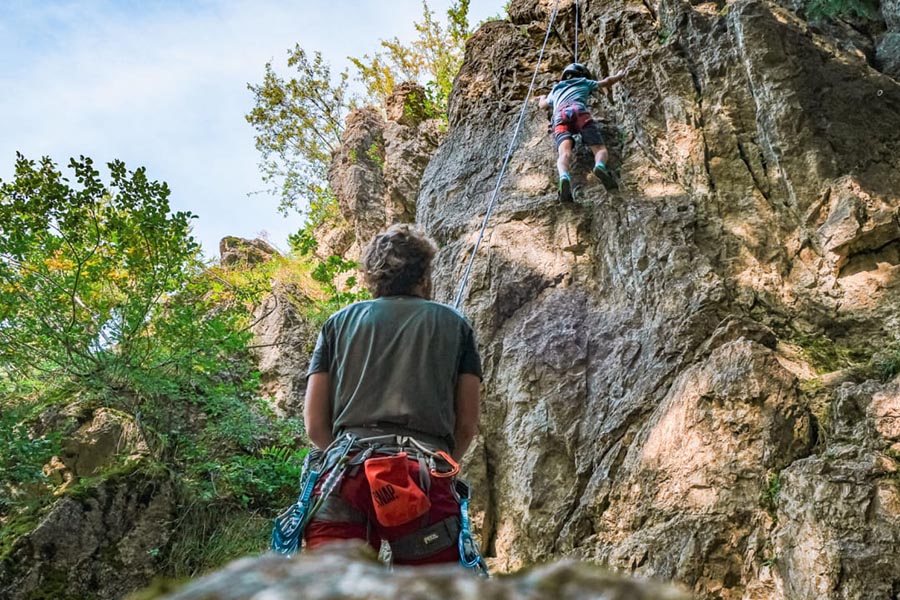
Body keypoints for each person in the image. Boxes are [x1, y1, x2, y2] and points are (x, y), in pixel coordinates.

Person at [302, 223, 483, 567]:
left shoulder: (338, 323)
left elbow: (314, 425)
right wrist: (443, 463)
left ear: (372, 275)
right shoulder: (455, 325)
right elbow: (466, 425)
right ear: (425, 274)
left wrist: (349, 454)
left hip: (344, 474)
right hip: (423, 474)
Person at [536, 62, 629, 201]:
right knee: (599, 149)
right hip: (578, 110)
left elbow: (543, 106)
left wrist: (542, 97)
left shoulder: (556, 89)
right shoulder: (584, 81)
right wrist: (619, 75)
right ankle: (599, 166)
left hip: (559, 116)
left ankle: (564, 177)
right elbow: (606, 82)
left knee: (564, 153)